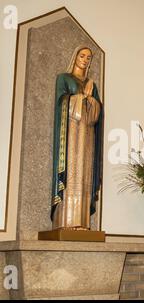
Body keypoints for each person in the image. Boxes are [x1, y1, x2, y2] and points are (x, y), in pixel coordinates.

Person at [51, 46, 104, 230]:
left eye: (88, 57)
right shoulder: (64, 78)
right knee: (71, 172)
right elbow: (61, 102)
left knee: (84, 174)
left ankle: (82, 222)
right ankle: (65, 222)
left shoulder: (92, 84)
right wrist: (81, 97)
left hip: (87, 136)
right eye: (82, 55)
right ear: (75, 57)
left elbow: (97, 113)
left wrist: (91, 100)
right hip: (71, 136)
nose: (85, 59)